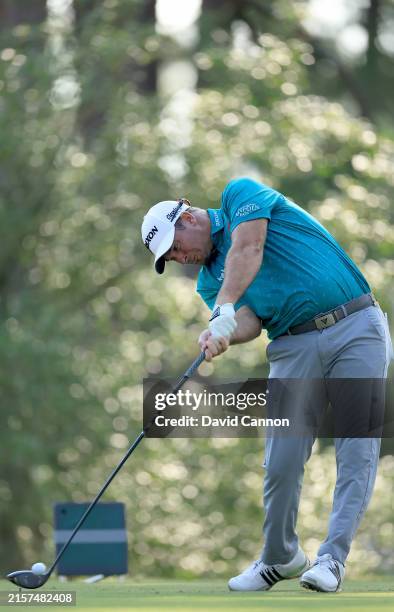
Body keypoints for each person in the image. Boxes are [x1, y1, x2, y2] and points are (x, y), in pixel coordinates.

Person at [140, 177, 392, 593]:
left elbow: (249, 247)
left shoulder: (241, 194)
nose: (180, 258)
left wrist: (223, 308)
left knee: (356, 448)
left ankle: (332, 559)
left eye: (176, 247)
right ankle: (280, 557)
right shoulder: (208, 281)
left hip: (355, 325)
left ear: (186, 218)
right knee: (281, 460)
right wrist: (221, 334)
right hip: (292, 344)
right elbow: (251, 322)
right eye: (170, 257)